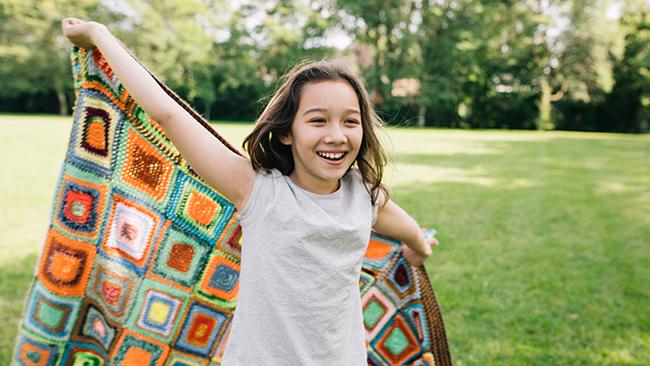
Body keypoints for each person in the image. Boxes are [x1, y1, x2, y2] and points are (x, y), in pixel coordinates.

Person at [61, 17, 435, 365]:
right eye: (318, 120)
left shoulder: (365, 196)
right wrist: (99, 35)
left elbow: (408, 229)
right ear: (287, 132)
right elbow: (168, 114)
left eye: (350, 122)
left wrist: (415, 249)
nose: (336, 135)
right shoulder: (257, 189)